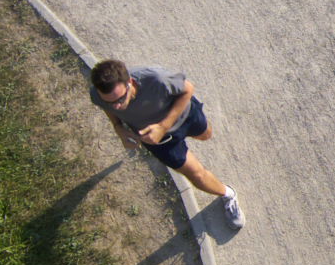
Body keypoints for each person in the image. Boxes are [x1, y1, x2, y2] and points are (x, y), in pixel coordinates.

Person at [89, 59, 244, 229]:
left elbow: (188, 88)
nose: (117, 106)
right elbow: (107, 107)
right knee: (197, 175)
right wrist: (118, 127)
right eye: (110, 102)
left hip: (185, 116)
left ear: (130, 82)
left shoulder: (156, 78)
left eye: (120, 99)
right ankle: (228, 194)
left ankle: (177, 96)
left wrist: (163, 126)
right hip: (159, 141)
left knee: (206, 135)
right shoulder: (98, 95)